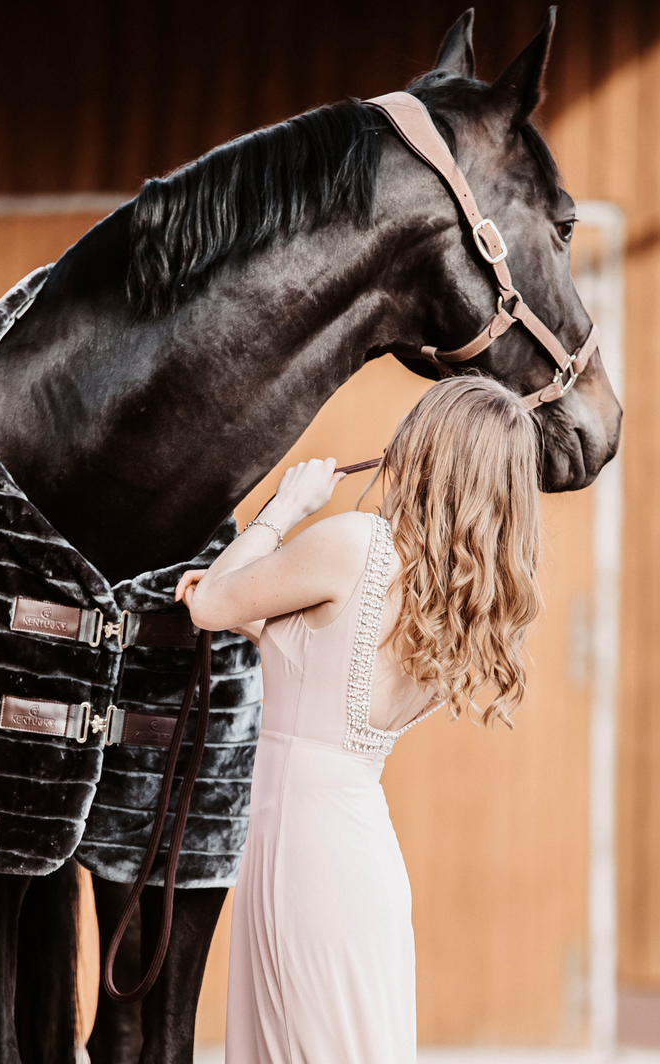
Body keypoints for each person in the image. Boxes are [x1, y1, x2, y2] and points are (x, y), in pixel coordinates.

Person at [173, 374, 544, 1064]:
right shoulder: (451, 599)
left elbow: (209, 606)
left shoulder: (356, 544)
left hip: (305, 853)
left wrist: (284, 509)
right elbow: (319, 656)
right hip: (342, 849)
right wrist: (249, 607)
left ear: (424, 445)